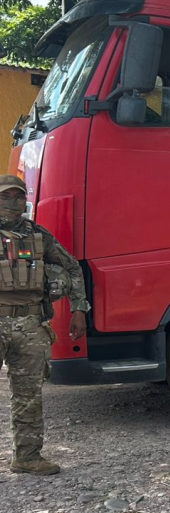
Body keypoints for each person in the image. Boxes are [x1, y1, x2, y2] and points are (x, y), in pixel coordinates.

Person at [0, 175, 89, 475]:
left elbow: (71, 266)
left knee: (28, 394)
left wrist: (79, 308)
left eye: (17, 196)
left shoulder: (38, 236)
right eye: (5, 196)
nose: (11, 202)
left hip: (29, 323)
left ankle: (27, 456)